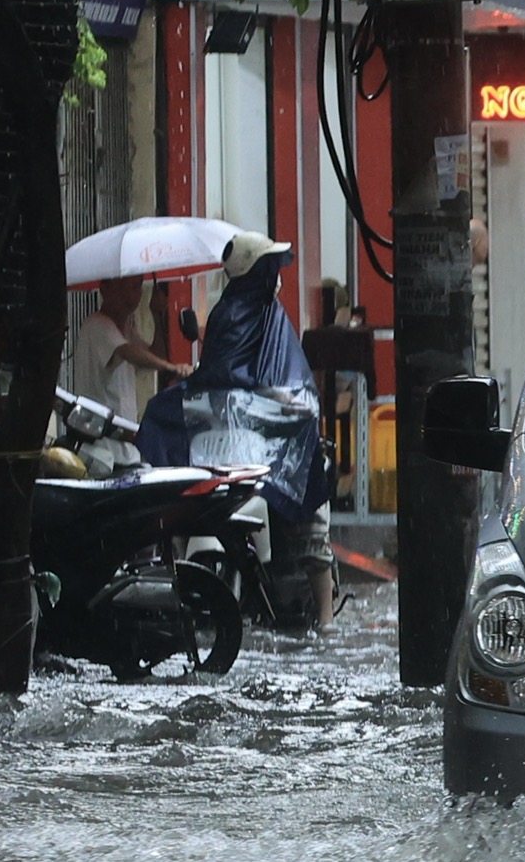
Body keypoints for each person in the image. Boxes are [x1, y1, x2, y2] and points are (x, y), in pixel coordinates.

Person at [140, 232, 335, 630]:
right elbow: (221, 377)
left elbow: (288, 381)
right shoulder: (229, 316)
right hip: (232, 439)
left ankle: (327, 617)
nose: (275, 276)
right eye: (268, 268)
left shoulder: (271, 314)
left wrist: (295, 409)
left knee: (313, 516)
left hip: (271, 433)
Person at [70, 274, 188, 423]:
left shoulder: (126, 330)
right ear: (104, 290)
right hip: (101, 437)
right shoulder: (97, 325)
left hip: (122, 434)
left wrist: (157, 315)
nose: (130, 296)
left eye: (136, 287)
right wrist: (171, 367)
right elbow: (127, 352)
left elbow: (155, 355)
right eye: (122, 288)